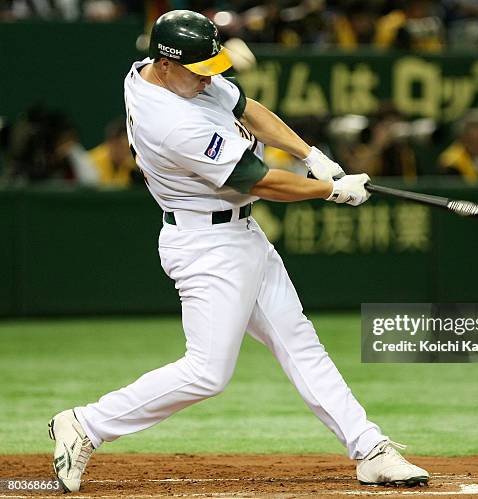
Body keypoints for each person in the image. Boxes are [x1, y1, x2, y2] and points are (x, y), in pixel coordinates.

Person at [47, 10, 429, 493]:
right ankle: (85, 424)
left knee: (300, 343)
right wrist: (330, 191)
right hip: (206, 246)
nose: (209, 78)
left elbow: (247, 109)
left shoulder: (169, 73)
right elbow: (258, 180)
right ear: (165, 65)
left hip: (240, 235)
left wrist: (313, 158)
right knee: (207, 373)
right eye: (197, 69)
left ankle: (368, 448)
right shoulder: (170, 122)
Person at [88, 118, 138, 188]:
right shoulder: (91, 162)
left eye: (129, 148)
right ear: (111, 143)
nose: (126, 151)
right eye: (122, 146)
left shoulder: (132, 165)